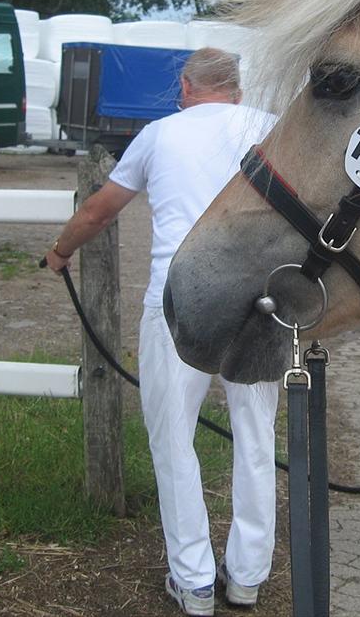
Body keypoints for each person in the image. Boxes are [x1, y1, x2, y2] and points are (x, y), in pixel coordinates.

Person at [45, 47, 277, 617]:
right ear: (238, 90)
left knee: (174, 441)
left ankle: (194, 580)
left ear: (187, 86)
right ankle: (246, 577)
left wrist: (60, 249)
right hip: (260, 302)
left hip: (180, 301)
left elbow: (100, 211)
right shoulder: (271, 131)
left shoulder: (158, 136)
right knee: (256, 438)